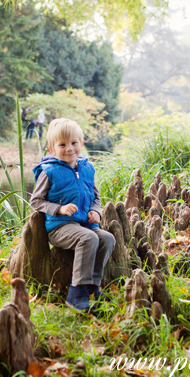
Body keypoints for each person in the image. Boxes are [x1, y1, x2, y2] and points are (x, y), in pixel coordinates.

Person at [30, 118, 115, 312]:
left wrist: (95, 211)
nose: (69, 148)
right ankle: (76, 292)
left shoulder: (87, 168)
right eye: (62, 144)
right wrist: (59, 209)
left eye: (74, 143)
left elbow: (95, 196)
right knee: (88, 238)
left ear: (81, 144)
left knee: (107, 238)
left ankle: (93, 288)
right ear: (52, 149)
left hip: (84, 224)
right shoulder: (49, 171)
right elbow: (36, 201)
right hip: (60, 227)